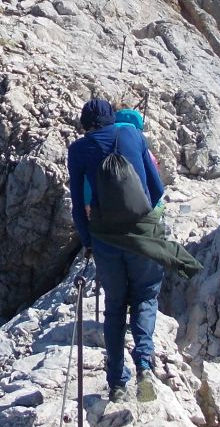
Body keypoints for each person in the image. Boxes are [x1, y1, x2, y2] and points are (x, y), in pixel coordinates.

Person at [68, 98, 165, 403]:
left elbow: (76, 206)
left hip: (106, 240)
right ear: (112, 118)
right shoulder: (133, 135)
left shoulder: (79, 150)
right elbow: (157, 187)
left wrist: (89, 242)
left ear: (85, 124)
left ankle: (117, 384)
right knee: (146, 297)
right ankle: (145, 364)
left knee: (114, 307)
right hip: (142, 234)